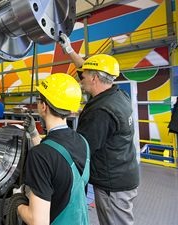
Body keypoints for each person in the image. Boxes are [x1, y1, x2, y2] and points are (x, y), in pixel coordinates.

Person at [59, 33, 139, 225]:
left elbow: (82, 148)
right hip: (124, 174)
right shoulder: (117, 94)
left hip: (113, 186)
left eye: (84, 76)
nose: (80, 79)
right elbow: (85, 67)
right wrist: (69, 50)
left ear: (94, 78)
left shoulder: (101, 111)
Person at [17, 73, 90, 224]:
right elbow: (54, 157)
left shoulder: (40, 155)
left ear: (43, 106)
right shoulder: (82, 141)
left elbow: (38, 221)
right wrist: (33, 132)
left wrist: (15, 202)